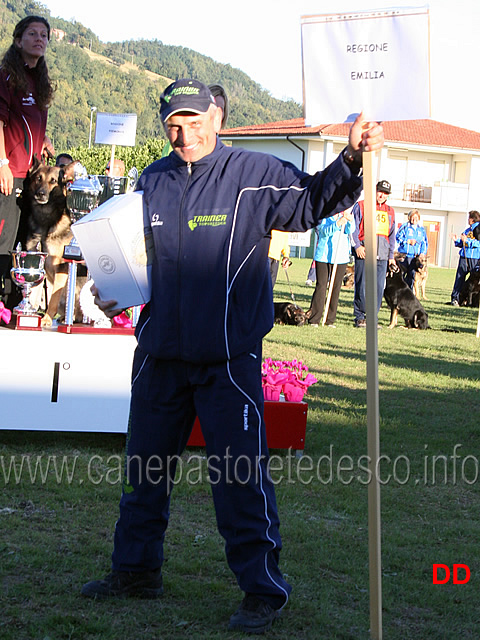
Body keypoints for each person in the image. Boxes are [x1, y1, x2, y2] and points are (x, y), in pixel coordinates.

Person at [83, 78, 384, 634]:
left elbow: (315, 201)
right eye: (174, 122)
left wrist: (351, 156)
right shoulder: (151, 181)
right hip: (159, 356)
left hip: (227, 359)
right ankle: (135, 570)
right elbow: (129, 260)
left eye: (195, 121)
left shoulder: (253, 174)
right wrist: (112, 290)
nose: (184, 132)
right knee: (143, 470)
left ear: (217, 119)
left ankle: (263, 590)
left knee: (239, 477)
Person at [0, 16, 54, 306]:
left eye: (44, 35)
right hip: (8, 174)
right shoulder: (5, 76)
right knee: (3, 240)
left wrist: (42, 141)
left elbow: (30, 123)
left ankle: (13, 304)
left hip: (31, 177)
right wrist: (2, 164)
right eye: (32, 33)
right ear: (18, 40)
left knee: (22, 242)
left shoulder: (39, 82)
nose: (39, 39)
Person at [351, 180, 396, 328]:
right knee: (361, 285)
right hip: (364, 252)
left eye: (386, 193)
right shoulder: (361, 206)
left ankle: (372, 317)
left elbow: (391, 235)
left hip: (382, 256)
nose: (382, 195)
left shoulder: (390, 211)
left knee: (378, 288)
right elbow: (353, 228)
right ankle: (360, 316)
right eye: (380, 191)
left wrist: (390, 257)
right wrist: (357, 246)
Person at [306, 208, 355, 327]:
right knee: (321, 286)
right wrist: (337, 223)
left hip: (340, 257)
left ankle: (330, 319)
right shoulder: (325, 215)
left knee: (335, 287)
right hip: (323, 256)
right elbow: (323, 231)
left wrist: (350, 221)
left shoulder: (345, 214)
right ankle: (315, 318)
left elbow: (350, 230)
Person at [449, 210, 480, 306]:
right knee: (459, 278)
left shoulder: (478, 229)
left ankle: (473, 301)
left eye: (469, 218)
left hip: (475, 257)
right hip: (464, 257)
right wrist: (457, 240)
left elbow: (478, 243)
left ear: (472, 219)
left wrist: (468, 241)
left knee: (474, 281)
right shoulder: (467, 230)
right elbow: (462, 243)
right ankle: (456, 299)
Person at [395, 209, 428, 289]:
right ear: (409, 218)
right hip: (403, 255)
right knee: (401, 275)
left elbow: (424, 242)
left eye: (416, 218)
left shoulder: (421, 229)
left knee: (411, 276)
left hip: (414, 257)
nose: (414, 219)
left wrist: (422, 253)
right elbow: (398, 237)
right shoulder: (405, 227)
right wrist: (408, 241)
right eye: (413, 217)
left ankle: (408, 293)